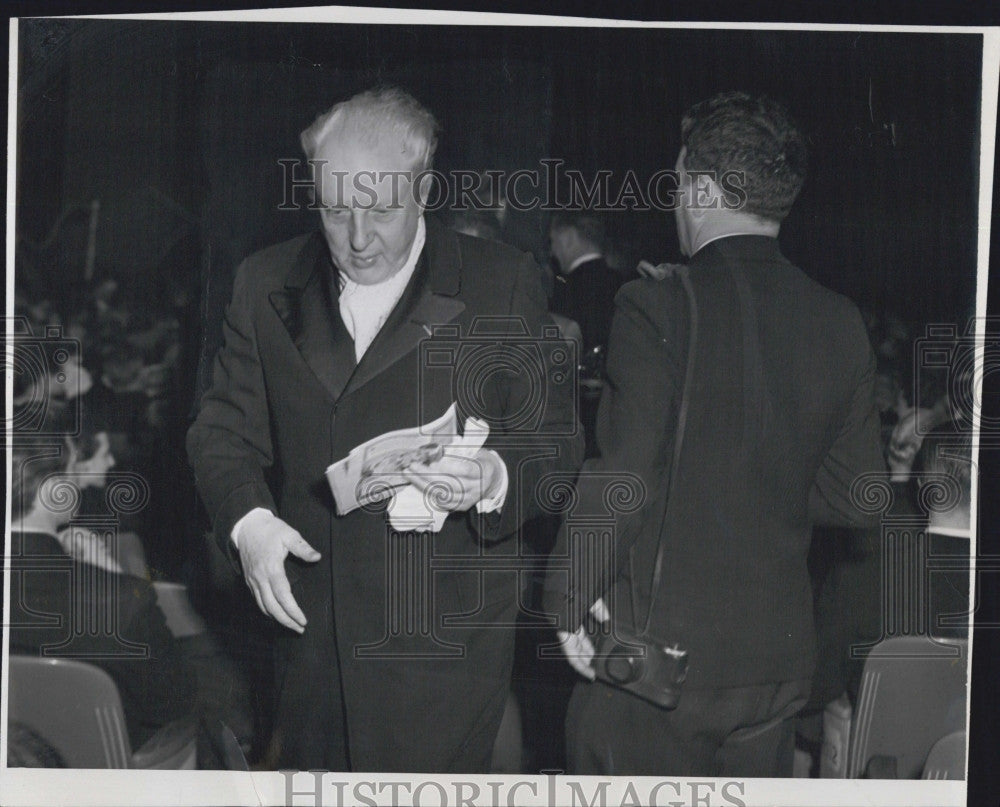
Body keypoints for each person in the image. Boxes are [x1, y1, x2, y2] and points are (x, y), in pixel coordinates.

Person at [186, 86, 583, 772]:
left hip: (443, 654)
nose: (359, 237)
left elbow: (554, 441)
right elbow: (222, 429)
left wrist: (492, 476)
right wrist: (248, 523)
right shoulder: (264, 282)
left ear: (424, 188)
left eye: (380, 209)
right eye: (336, 211)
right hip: (308, 641)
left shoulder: (502, 281)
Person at [544, 91, 885, 776]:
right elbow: (858, 499)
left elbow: (625, 476)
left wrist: (569, 596)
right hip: (778, 667)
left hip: (663, 667)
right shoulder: (840, 318)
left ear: (698, 188)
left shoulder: (658, 303)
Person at [9, 411, 196, 750]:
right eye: (69, 472)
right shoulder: (123, 600)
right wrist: (110, 576)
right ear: (50, 489)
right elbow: (176, 706)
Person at [548, 212, 621, 356]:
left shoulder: (562, 291)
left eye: (552, 241)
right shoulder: (626, 286)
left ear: (567, 238)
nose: (552, 252)